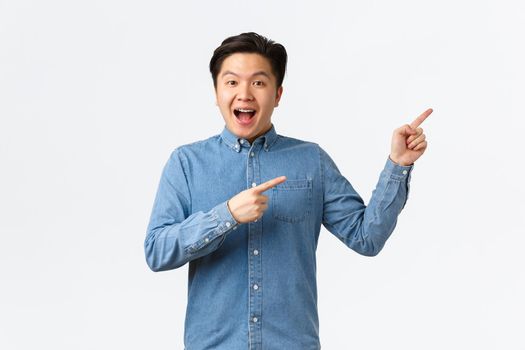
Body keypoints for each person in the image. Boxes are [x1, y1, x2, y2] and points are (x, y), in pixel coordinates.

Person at [144, 32, 432, 350]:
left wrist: (398, 165)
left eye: (258, 82)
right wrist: (225, 216)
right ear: (216, 92)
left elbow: (366, 238)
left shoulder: (311, 160)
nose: (244, 94)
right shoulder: (186, 163)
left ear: (278, 94)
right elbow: (157, 252)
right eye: (231, 82)